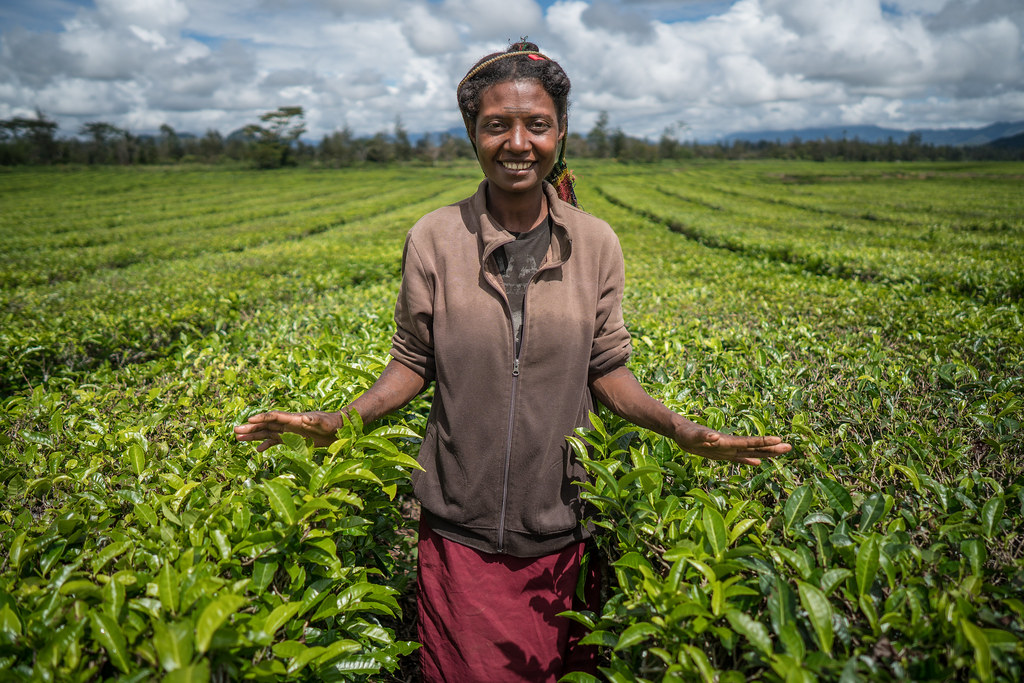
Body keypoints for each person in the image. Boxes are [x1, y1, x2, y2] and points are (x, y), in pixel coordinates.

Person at [234, 40, 791, 682]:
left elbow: (607, 369)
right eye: (497, 124)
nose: (518, 142)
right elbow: (413, 362)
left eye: (537, 124)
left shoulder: (596, 242)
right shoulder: (435, 238)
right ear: (473, 132)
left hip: (562, 529)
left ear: (560, 133)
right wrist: (340, 420)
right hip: (458, 530)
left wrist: (682, 431)